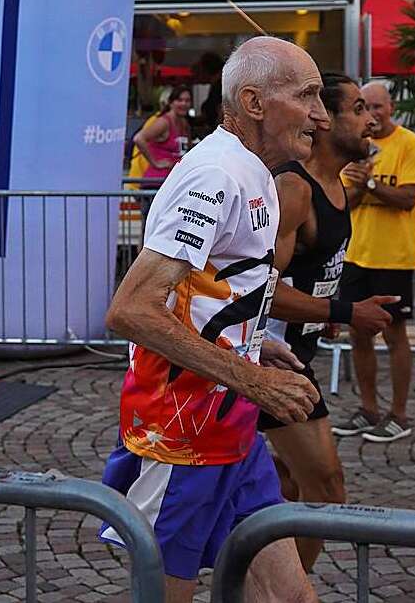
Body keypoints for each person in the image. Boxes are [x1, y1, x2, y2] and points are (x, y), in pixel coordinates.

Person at [99, 37, 327, 603]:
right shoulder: (214, 175)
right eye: (307, 97)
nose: (320, 116)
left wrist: (250, 337)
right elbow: (131, 309)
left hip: (233, 423)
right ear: (253, 102)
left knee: (290, 597)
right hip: (181, 432)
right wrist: (254, 377)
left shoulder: (259, 175)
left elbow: (213, 287)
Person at [260, 71, 395, 571]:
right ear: (324, 118)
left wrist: (327, 314)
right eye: (359, 109)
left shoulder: (336, 186)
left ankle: (254, 573)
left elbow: (309, 275)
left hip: (295, 351)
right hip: (265, 360)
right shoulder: (294, 190)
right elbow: (260, 292)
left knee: (290, 484)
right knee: (326, 484)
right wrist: (345, 310)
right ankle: (288, 591)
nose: (372, 119)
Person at [332, 81, 415, 443]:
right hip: (357, 253)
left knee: (394, 334)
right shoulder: (354, 146)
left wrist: (370, 185)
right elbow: (345, 202)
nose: (371, 115)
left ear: (391, 107)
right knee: (358, 333)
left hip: (394, 256)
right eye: (363, 107)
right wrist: (359, 188)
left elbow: (407, 199)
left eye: (377, 107)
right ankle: (368, 407)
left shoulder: (409, 143)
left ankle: (399, 413)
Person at [133, 86, 192, 183]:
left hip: (175, 180)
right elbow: (139, 138)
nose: (184, 104)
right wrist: (155, 163)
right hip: (157, 182)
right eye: (179, 100)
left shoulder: (185, 123)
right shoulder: (163, 122)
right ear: (171, 103)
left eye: (187, 100)